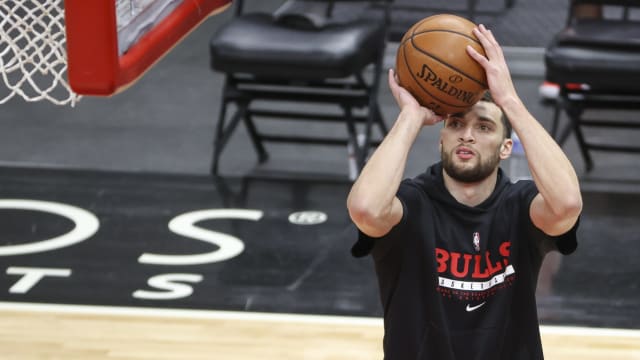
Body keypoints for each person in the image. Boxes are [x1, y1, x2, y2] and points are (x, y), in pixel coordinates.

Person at [346, 24, 582, 359]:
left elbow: (567, 204)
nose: (467, 134)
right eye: (456, 123)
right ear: (442, 137)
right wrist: (411, 117)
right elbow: (365, 210)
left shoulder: (520, 205)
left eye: (484, 127)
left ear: (505, 148)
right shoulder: (413, 202)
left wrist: (510, 101)